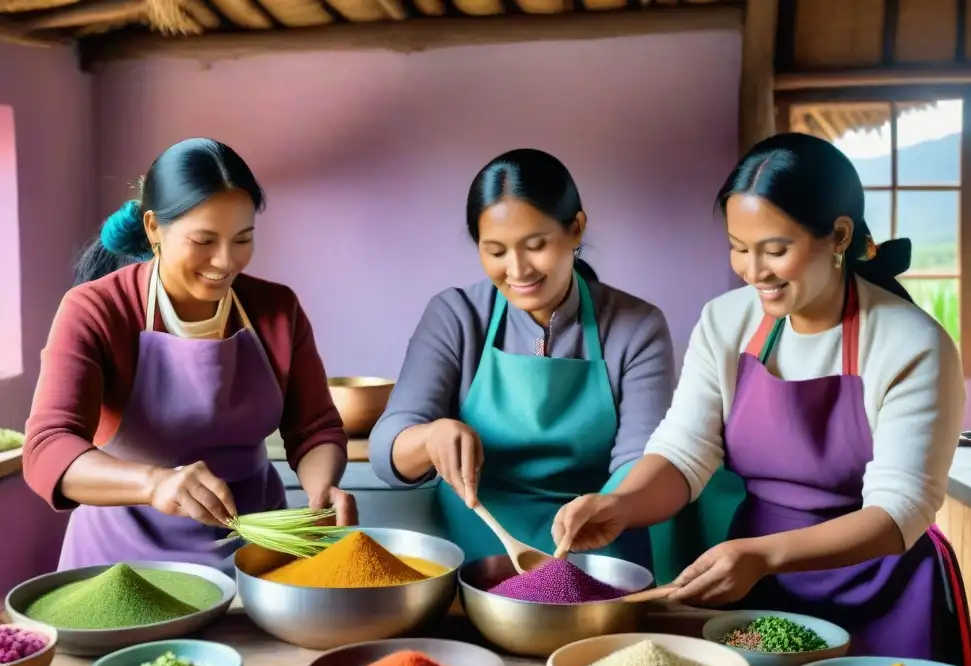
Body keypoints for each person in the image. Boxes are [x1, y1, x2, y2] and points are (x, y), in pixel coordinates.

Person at [552, 133, 971, 666]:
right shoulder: (726, 322)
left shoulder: (911, 343)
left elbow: (899, 513)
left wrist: (764, 555)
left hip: (882, 593)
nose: (753, 271)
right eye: (738, 247)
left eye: (775, 250)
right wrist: (621, 504)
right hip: (757, 594)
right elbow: (684, 453)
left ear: (838, 235)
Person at [23, 138, 358, 574]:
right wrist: (153, 483)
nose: (225, 261)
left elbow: (314, 428)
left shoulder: (277, 309)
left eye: (243, 239)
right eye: (203, 240)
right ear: (152, 228)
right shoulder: (96, 310)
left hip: (256, 554)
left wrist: (322, 488)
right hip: (123, 564)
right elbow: (48, 447)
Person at [369, 148, 675, 565]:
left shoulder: (635, 326)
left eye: (536, 245)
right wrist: (430, 436)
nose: (518, 270)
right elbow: (388, 451)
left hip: (599, 555)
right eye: (496, 251)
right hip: (473, 563)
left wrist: (615, 503)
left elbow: (642, 460)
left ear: (576, 229)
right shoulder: (456, 316)